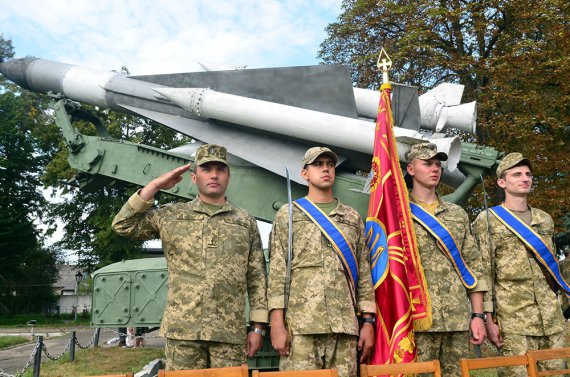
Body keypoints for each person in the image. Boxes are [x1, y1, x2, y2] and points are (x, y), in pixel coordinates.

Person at [112, 143, 268, 370]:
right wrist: (154, 185)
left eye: (220, 169)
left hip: (229, 334)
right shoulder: (172, 215)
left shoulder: (244, 221)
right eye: (206, 169)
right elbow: (123, 225)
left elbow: (257, 278)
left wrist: (257, 328)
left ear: (228, 176)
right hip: (183, 331)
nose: (214, 175)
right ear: (194, 177)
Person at [268, 146, 376, 377]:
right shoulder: (289, 214)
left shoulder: (352, 217)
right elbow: (277, 273)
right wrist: (276, 324)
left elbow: (364, 274)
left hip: (344, 327)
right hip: (301, 327)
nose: (325, 169)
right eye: (318, 165)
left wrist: (368, 321)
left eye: (329, 165)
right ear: (304, 173)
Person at [473, 152, 568, 377]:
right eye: (517, 174)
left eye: (528, 174)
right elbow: (483, 271)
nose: (525, 178)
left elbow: (552, 268)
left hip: (550, 318)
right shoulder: (488, 220)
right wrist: (489, 319)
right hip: (513, 321)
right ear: (502, 182)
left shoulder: (544, 219)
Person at [405, 143, 488, 377]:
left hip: (457, 320)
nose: (435, 169)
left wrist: (477, 316)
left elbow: (473, 266)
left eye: (438, 164)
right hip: (417, 319)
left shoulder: (457, 214)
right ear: (411, 169)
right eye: (427, 163)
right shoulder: (398, 214)